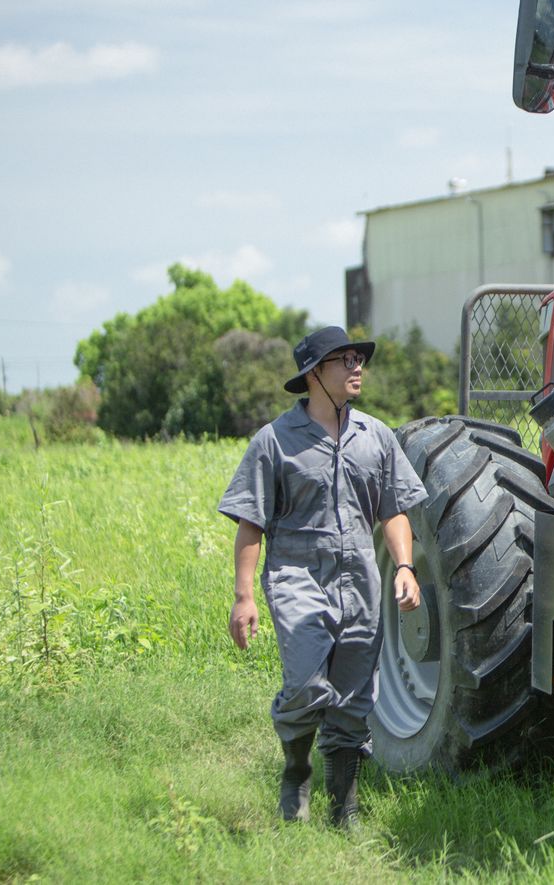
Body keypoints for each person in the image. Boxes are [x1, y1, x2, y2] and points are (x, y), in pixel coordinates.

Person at [217, 325, 427, 828]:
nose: (358, 367)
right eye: (345, 360)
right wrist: (244, 597)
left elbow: (394, 511)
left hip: (361, 578)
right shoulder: (274, 441)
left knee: (354, 699)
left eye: (359, 358)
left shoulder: (376, 437)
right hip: (296, 573)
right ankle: (296, 770)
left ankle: (343, 808)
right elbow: (250, 524)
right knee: (306, 684)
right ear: (314, 373)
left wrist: (404, 566)